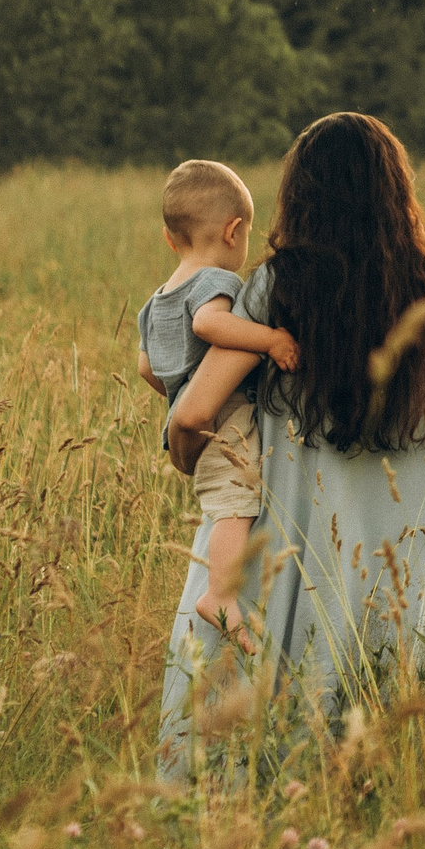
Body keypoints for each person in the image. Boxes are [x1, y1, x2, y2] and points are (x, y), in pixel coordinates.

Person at [156, 114, 425, 779]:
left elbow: (194, 411)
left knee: (241, 779)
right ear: (397, 198)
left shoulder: (277, 286)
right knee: (371, 773)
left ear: (300, 197)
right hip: (392, 588)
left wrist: (190, 460)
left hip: (278, 573)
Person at [134, 160, 298, 647]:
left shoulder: (157, 298)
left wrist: (178, 390)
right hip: (223, 419)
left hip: (184, 417)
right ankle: (220, 596)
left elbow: (146, 367)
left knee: (224, 504)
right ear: (234, 231)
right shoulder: (214, 283)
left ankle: (220, 592)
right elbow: (209, 326)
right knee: (236, 504)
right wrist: (269, 339)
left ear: (170, 238)